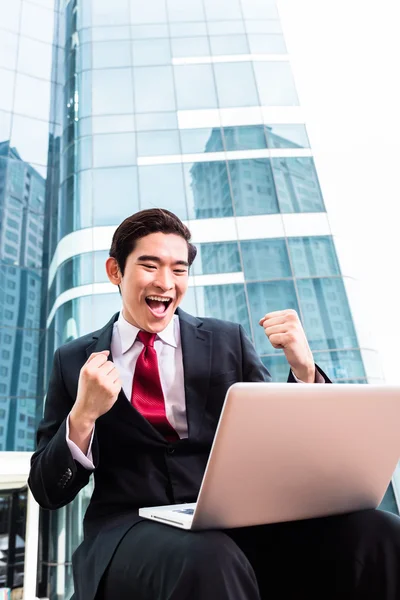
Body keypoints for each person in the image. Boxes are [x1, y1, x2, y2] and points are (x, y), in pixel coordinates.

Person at [29, 208, 400, 600]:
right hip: (128, 529)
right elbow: (47, 490)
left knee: (380, 532)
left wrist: (304, 372)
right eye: (150, 266)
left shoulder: (227, 341)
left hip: (235, 522)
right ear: (115, 271)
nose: (165, 283)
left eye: (178, 269)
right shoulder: (74, 360)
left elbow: (281, 440)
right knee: (209, 558)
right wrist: (83, 416)